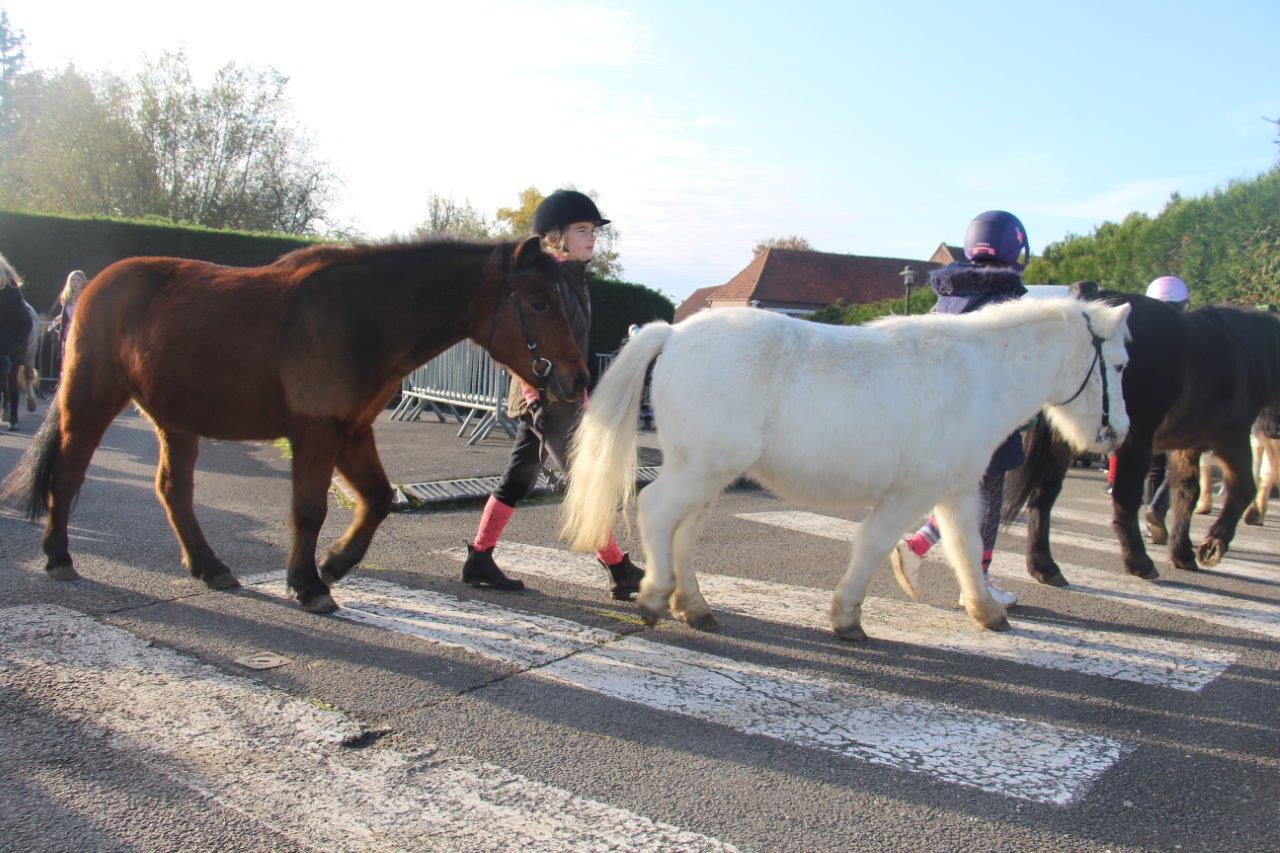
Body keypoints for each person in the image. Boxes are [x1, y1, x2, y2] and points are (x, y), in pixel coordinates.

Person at [459, 190, 644, 597]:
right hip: (543, 398)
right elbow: (529, 341)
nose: (592, 238)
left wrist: (582, 398)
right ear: (554, 238)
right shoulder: (547, 281)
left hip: (562, 398)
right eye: (582, 231)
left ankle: (480, 557)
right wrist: (532, 398)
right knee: (580, 483)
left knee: (519, 478)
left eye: (593, 230)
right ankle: (618, 570)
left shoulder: (575, 278)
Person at [889, 210, 1031, 608]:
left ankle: (918, 544)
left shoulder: (946, 298)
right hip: (987, 415)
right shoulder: (1007, 301)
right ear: (1015, 248)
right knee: (986, 499)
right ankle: (978, 583)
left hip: (941, 414)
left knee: (959, 493)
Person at [1142, 275, 1191, 543]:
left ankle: (1152, 526)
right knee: (1182, 465)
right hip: (1179, 408)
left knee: (1152, 468)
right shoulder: (1190, 331)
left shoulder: (1140, 330)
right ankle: (1158, 508)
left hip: (1146, 409)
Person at [0, 254, 35, 431]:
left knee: (12, 380)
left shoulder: (11, 289)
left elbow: (25, 323)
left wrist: (9, 346)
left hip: (13, 342)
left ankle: (13, 417)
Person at [51, 269, 88, 357]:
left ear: (83, 282)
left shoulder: (85, 297)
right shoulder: (67, 298)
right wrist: (56, 320)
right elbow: (68, 314)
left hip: (80, 333)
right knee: (66, 358)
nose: (75, 282)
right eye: (73, 280)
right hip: (66, 333)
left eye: (78, 280)